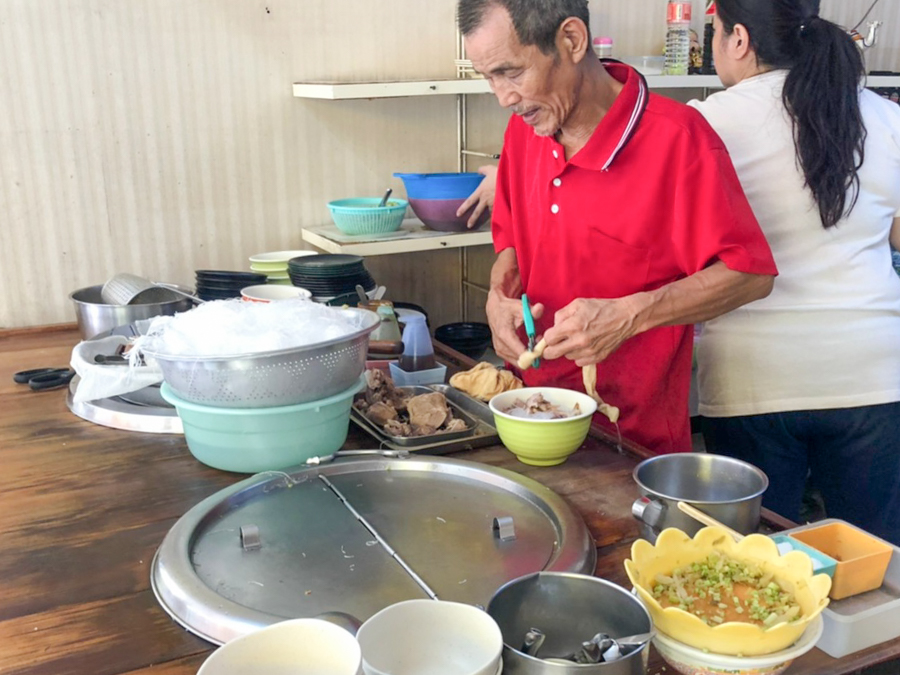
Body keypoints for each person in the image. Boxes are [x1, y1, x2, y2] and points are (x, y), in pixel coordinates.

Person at [456, 0, 778, 455]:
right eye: (488, 77)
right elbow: (512, 239)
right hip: (533, 414)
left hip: (634, 440)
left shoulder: (678, 139)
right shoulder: (525, 131)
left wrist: (629, 316)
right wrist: (498, 295)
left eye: (511, 72)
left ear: (571, 40)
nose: (503, 97)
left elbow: (750, 275)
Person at [689, 0, 900, 544]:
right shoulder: (886, 116)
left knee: (757, 562)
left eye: (713, 33)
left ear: (738, 39)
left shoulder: (704, 122)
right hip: (872, 377)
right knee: (877, 563)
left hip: (754, 381)